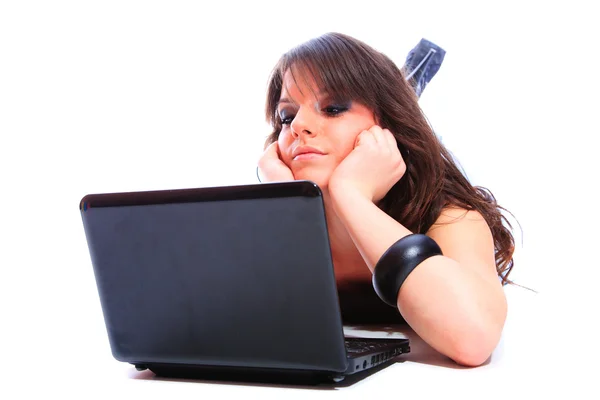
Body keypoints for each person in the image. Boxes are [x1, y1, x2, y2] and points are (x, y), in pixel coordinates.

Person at [256, 32, 516, 367]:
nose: (299, 126)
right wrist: (282, 203)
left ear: (387, 128)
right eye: (287, 116)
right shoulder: (267, 217)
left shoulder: (450, 218)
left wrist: (351, 196)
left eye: (333, 108)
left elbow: (473, 340)